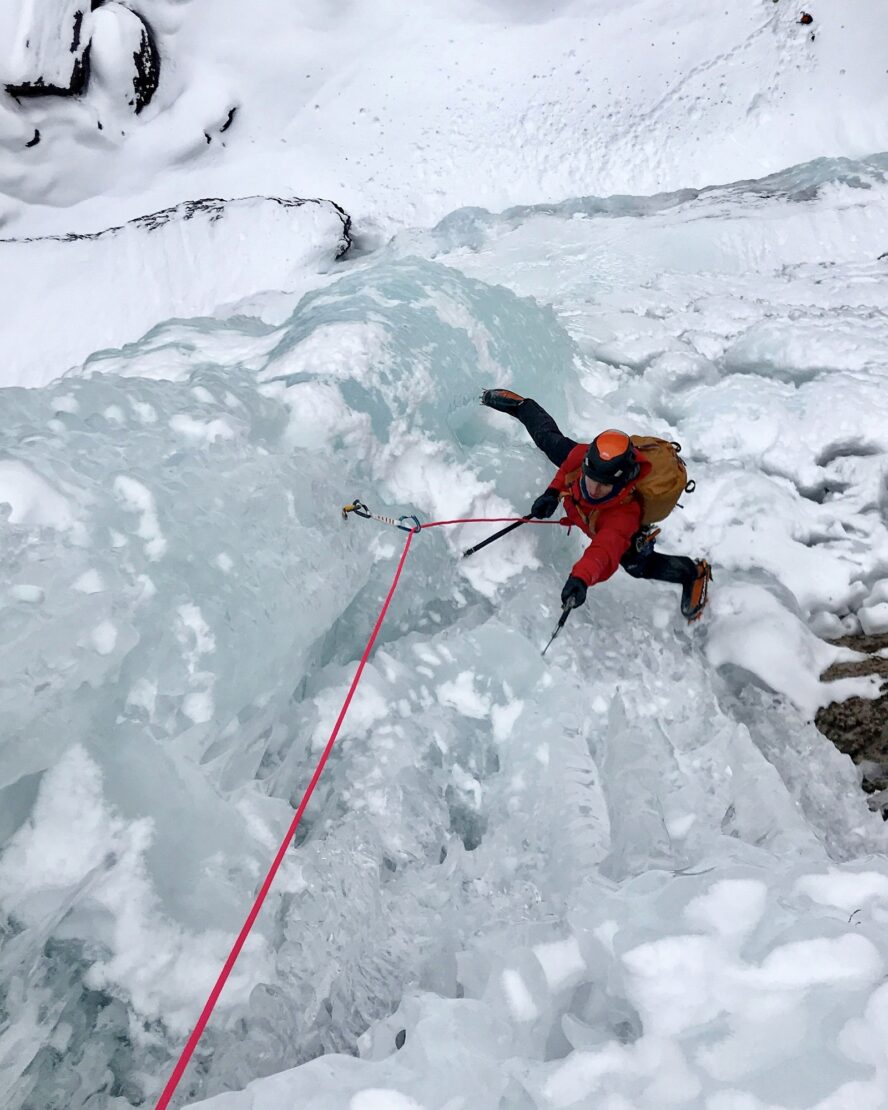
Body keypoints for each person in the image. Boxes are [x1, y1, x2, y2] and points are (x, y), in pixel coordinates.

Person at [480, 389, 712, 621]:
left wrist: (580, 578)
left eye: (604, 485)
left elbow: (604, 551)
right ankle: (519, 403)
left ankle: (692, 573)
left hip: (627, 534)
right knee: (550, 442)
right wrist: (552, 492)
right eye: (591, 479)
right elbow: (565, 459)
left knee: (637, 566)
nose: (594, 489)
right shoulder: (584, 458)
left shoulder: (623, 515)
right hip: (586, 497)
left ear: (622, 481)